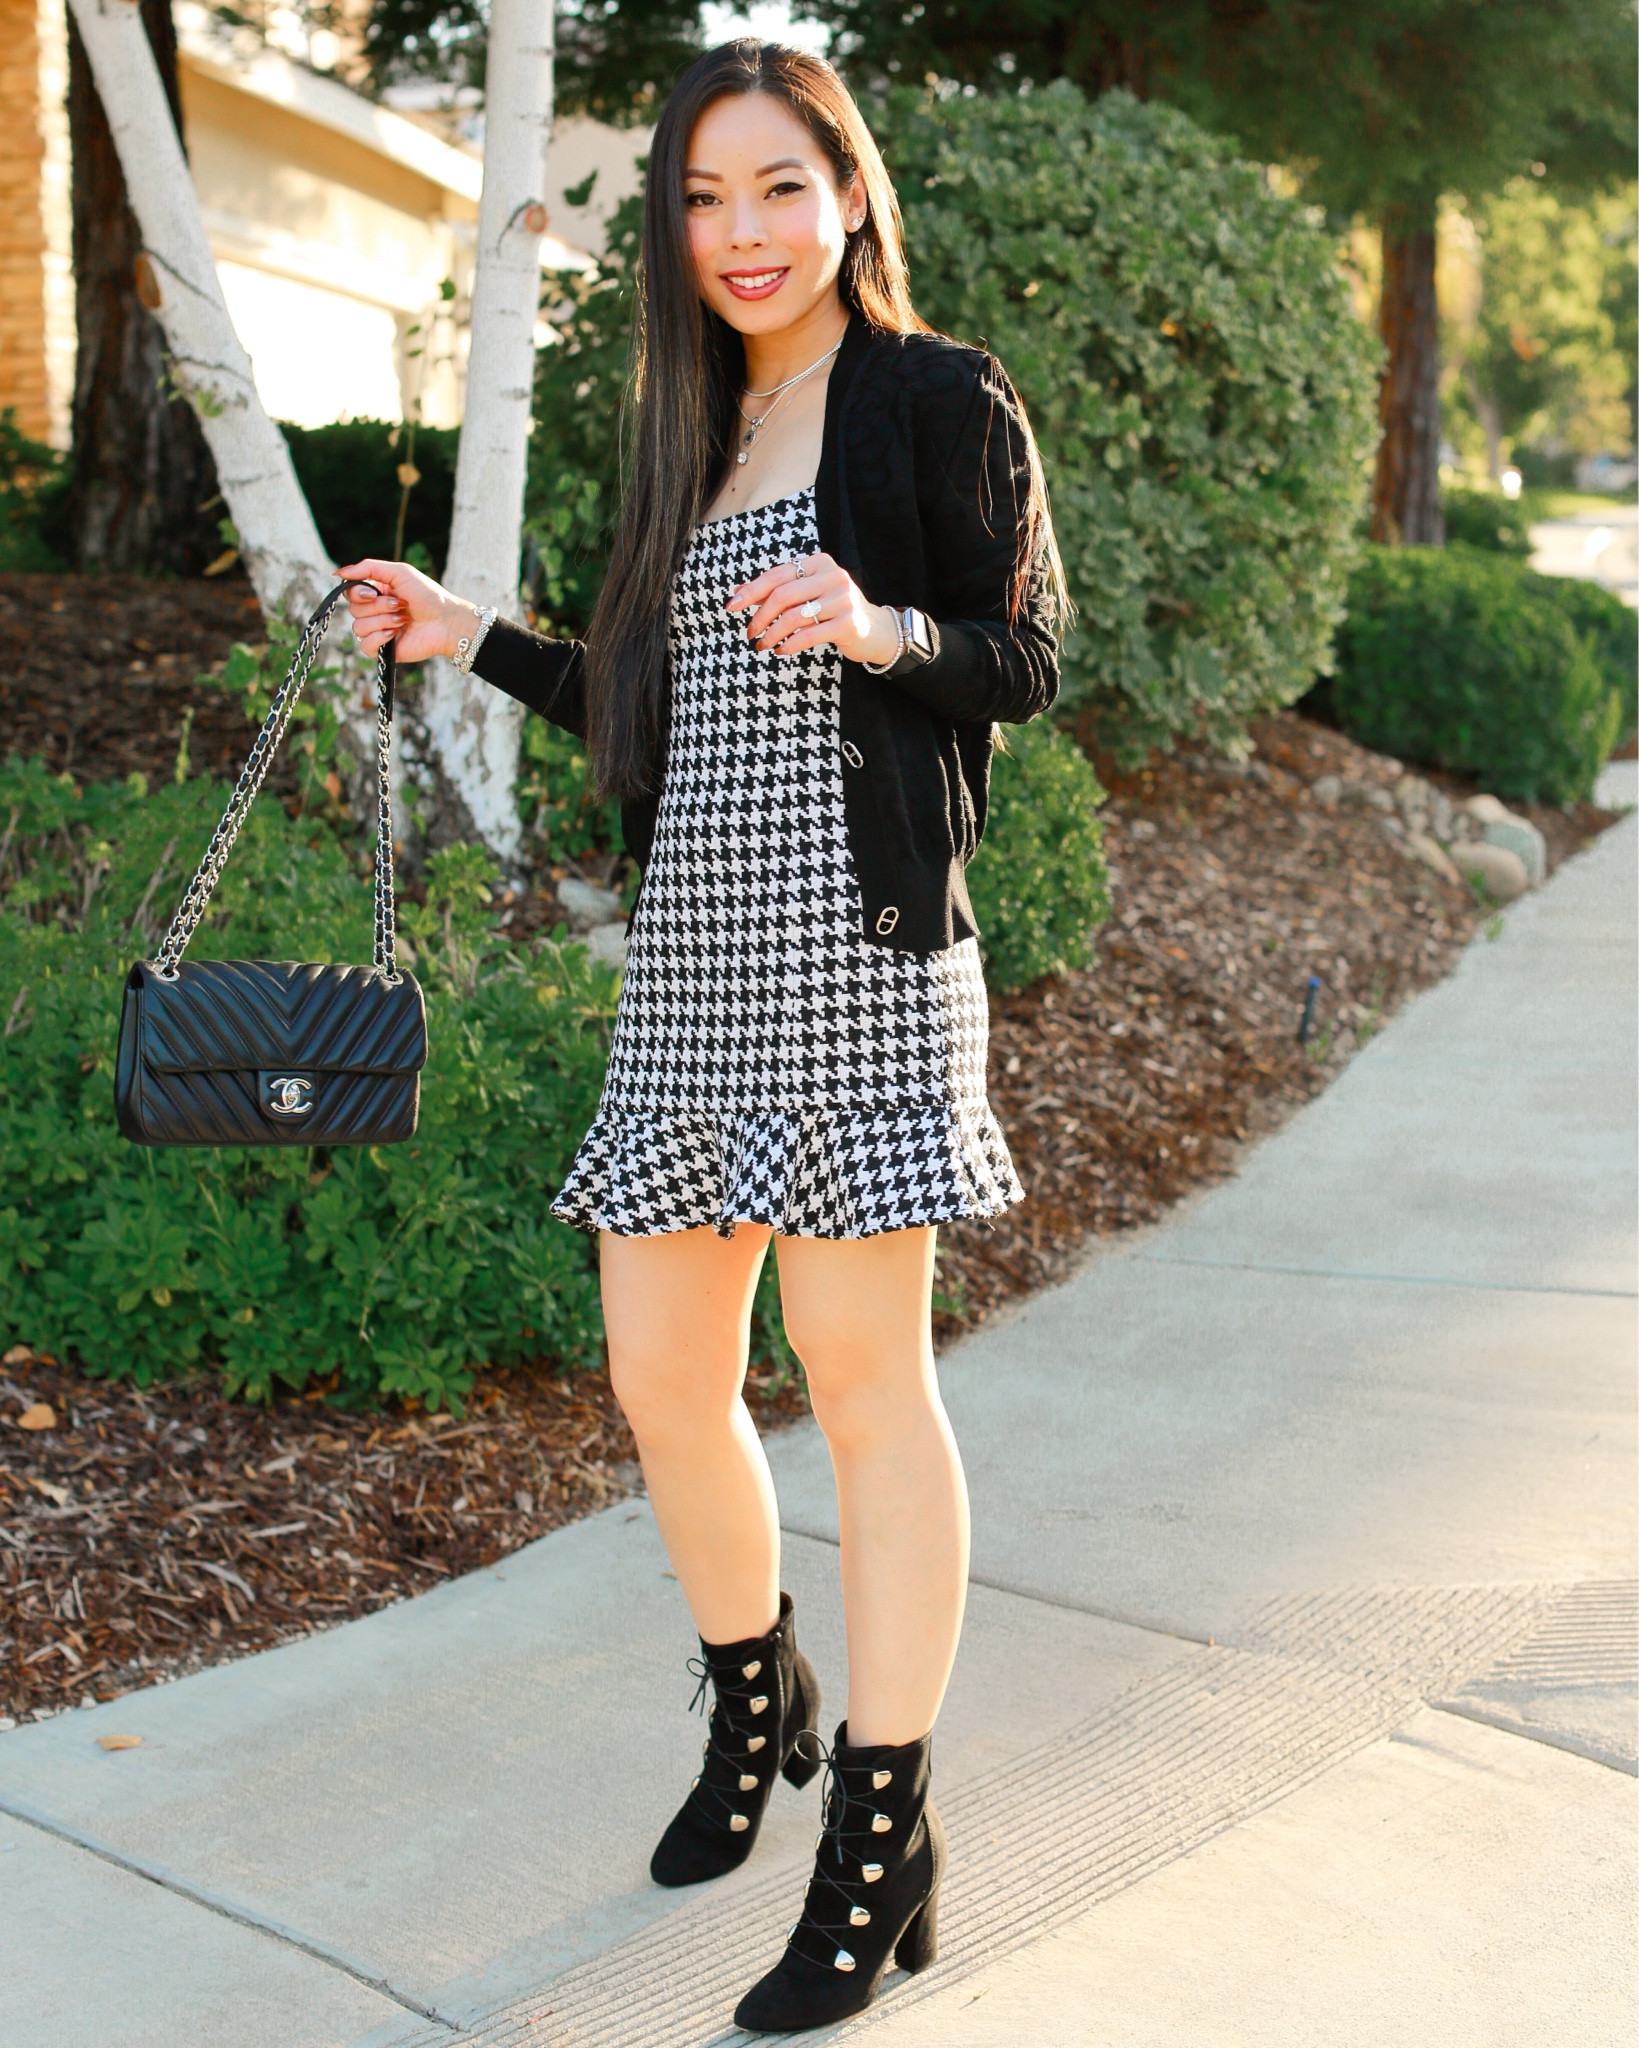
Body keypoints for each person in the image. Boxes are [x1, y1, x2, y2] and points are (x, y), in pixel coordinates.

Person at [341, 38, 1062, 2033]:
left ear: (846, 191)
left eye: (777, 187)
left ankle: (884, 1826)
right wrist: (461, 628)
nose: (741, 233)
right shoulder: (687, 433)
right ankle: (765, 1698)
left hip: (856, 954)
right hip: (692, 974)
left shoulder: (928, 397)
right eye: (703, 197)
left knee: (858, 1386)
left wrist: (879, 628)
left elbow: (1024, 657)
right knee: (663, 1374)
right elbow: (644, 716)